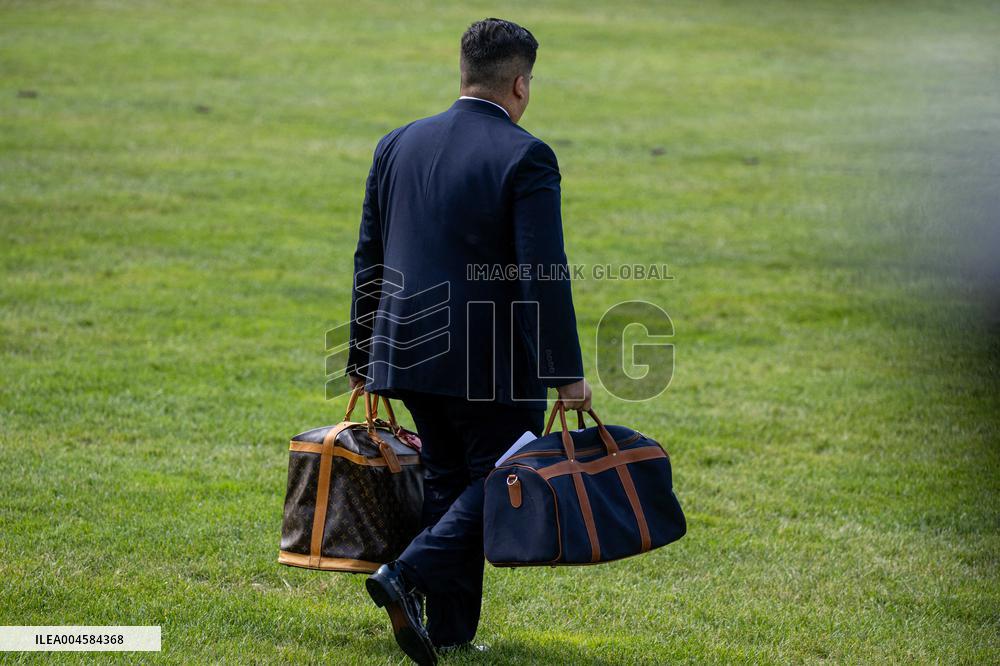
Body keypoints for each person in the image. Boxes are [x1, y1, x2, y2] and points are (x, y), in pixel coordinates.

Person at [347, 17, 590, 665]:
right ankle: (408, 574)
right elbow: (543, 272)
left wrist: (360, 357)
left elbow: (368, 259)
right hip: (492, 363)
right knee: (507, 477)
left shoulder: (397, 143)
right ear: (520, 84)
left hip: (406, 350)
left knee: (451, 482)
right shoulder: (526, 155)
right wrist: (566, 372)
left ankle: (448, 631)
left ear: (464, 74)